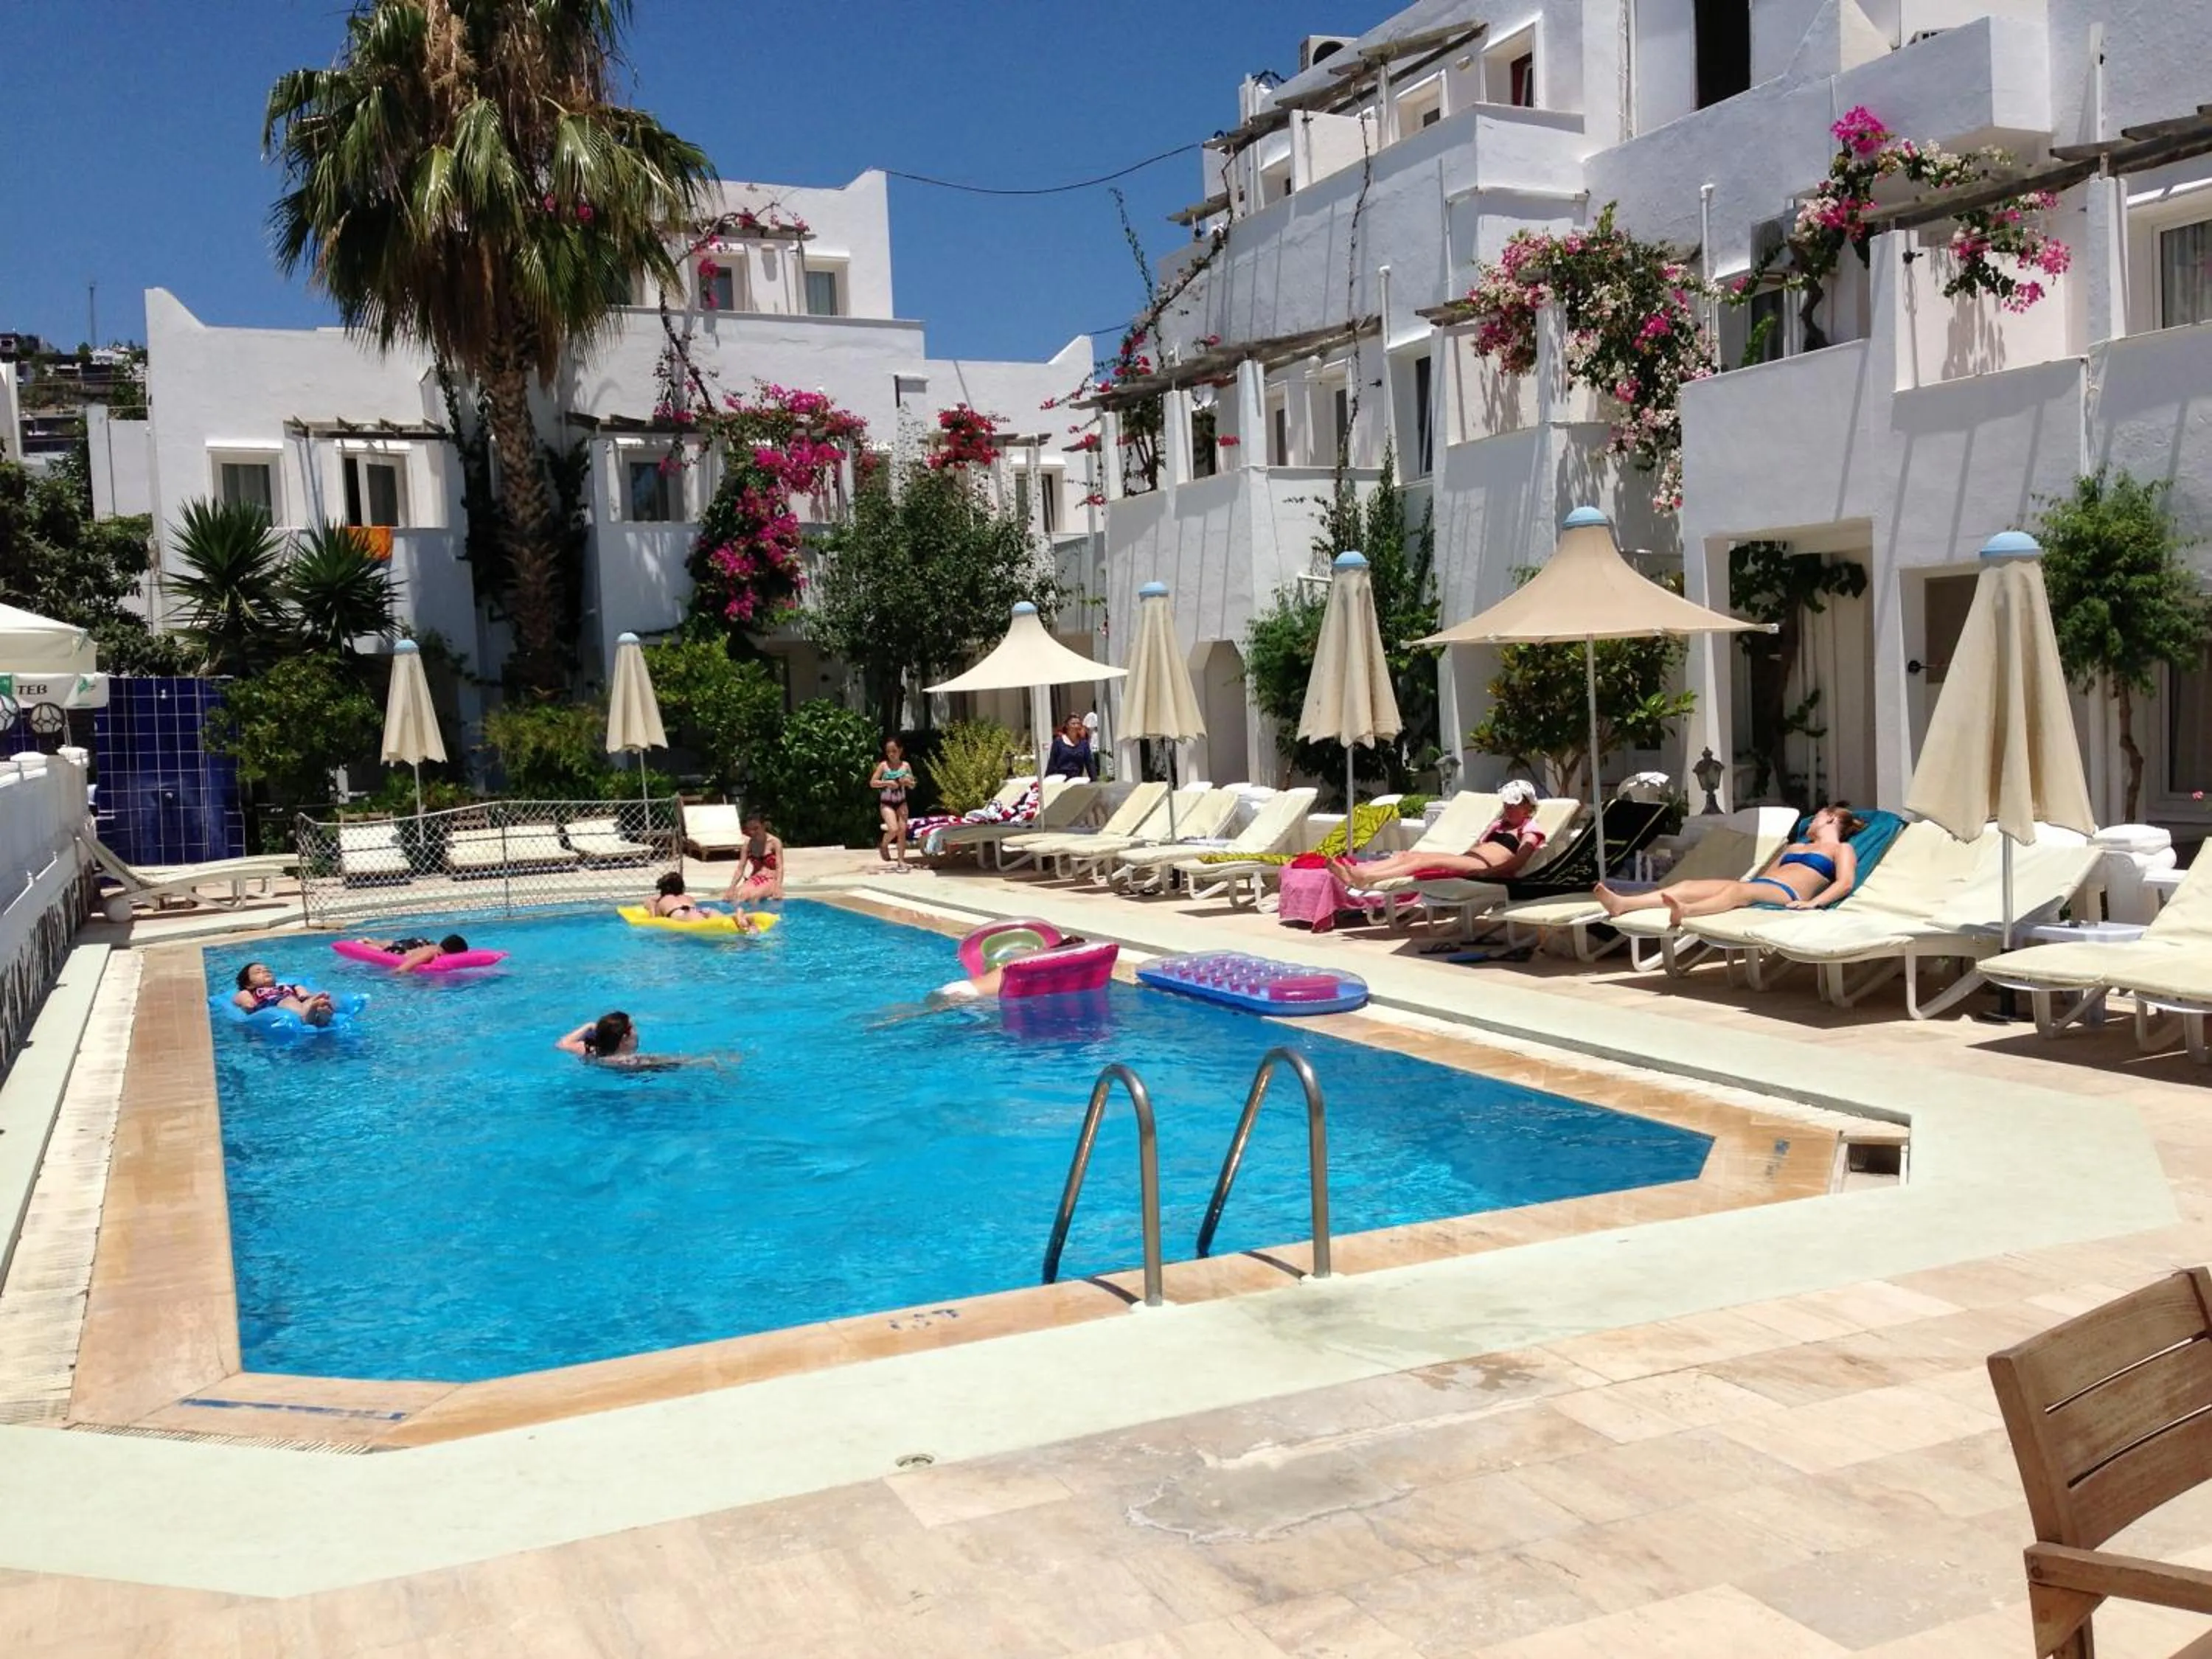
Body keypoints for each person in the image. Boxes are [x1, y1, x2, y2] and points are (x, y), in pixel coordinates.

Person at [1595, 803, 1866, 922]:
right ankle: (1624, 904)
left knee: (1738, 891)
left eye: (1818, 816)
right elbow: (1766, 874)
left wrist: (1813, 902)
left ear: (1831, 818)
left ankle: (1688, 912)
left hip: (1790, 894)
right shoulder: (1796, 846)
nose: (1812, 821)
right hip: (1763, 886)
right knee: (1689, 884)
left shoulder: (1841, 849)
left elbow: (1845, 882)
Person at [1331, 780, 1551, 886]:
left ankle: (1367, 878)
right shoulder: (1499, 826)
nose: (1509, 809)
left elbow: (1519, 862)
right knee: (1410, 855)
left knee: (1423, 863)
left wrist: (1488, 873)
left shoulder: (1529, 829)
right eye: (1507, 805)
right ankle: (1359, 871)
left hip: (1486, 868)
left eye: (1515, 805)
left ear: (1528, 807)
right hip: (1468, 859)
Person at [233, 961, 335, 1026]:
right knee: (289, 1000)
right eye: (258, 972)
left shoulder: (287, 986)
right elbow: (241, 998)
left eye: (267, 970)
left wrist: (305, 994)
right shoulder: (249, 992)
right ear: (248, 984)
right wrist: (247, 1001)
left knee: (312, 1000)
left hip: (296, 1001)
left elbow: (301, 991)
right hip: (271, 1003)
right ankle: (306, 1017)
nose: (265, 972)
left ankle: (321, 1016)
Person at [870, 738, 915, 870]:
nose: (891, 754)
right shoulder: (884, 766)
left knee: (902, 832)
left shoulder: (905, 766)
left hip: (901, 802)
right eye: (889, 751)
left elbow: (913, 784)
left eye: (894, 751)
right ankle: (884, 845)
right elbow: (873, 783)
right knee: (893, 829)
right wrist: (886, 783)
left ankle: (901, 860)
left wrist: (907, 782)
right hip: (887, 803)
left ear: (900, 751)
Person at [723, 813, 785, 904]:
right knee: (739, 895)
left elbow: (780, 867)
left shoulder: (774, 842)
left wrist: (778, 887)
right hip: (755, 878)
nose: (753, 832)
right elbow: (740, 869)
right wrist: (731, 887)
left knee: (755, 896)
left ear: (764, 826)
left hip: (771, 879)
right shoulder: (747, 845)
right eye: (750, 830)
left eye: (756, 828)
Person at [355, 933, 469, 973]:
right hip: (404, 951)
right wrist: (397, 974)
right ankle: (368, 943)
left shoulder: (437, 950)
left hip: (422, 943)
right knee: (387, 948)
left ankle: (371, 940)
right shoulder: (431, 953)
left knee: (392, 943)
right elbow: (408, 965)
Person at [647, 871, 722, 920]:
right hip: (704, 911)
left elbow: (656, 922)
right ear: (682, 888)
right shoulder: (689, 898)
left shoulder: (662, 901)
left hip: (684, 915)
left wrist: (652, 904)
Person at [1045, 714, 1096, 782]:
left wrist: (1094, 781)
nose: (1076, 726)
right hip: (1060, 780)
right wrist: (1046, 781)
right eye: (1073, 724)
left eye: (1078, 724)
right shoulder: (1058, 742)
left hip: (1076, 780)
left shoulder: (1084, 744)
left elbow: (1089, 763)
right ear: (1067, 726)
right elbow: (1052, 763)